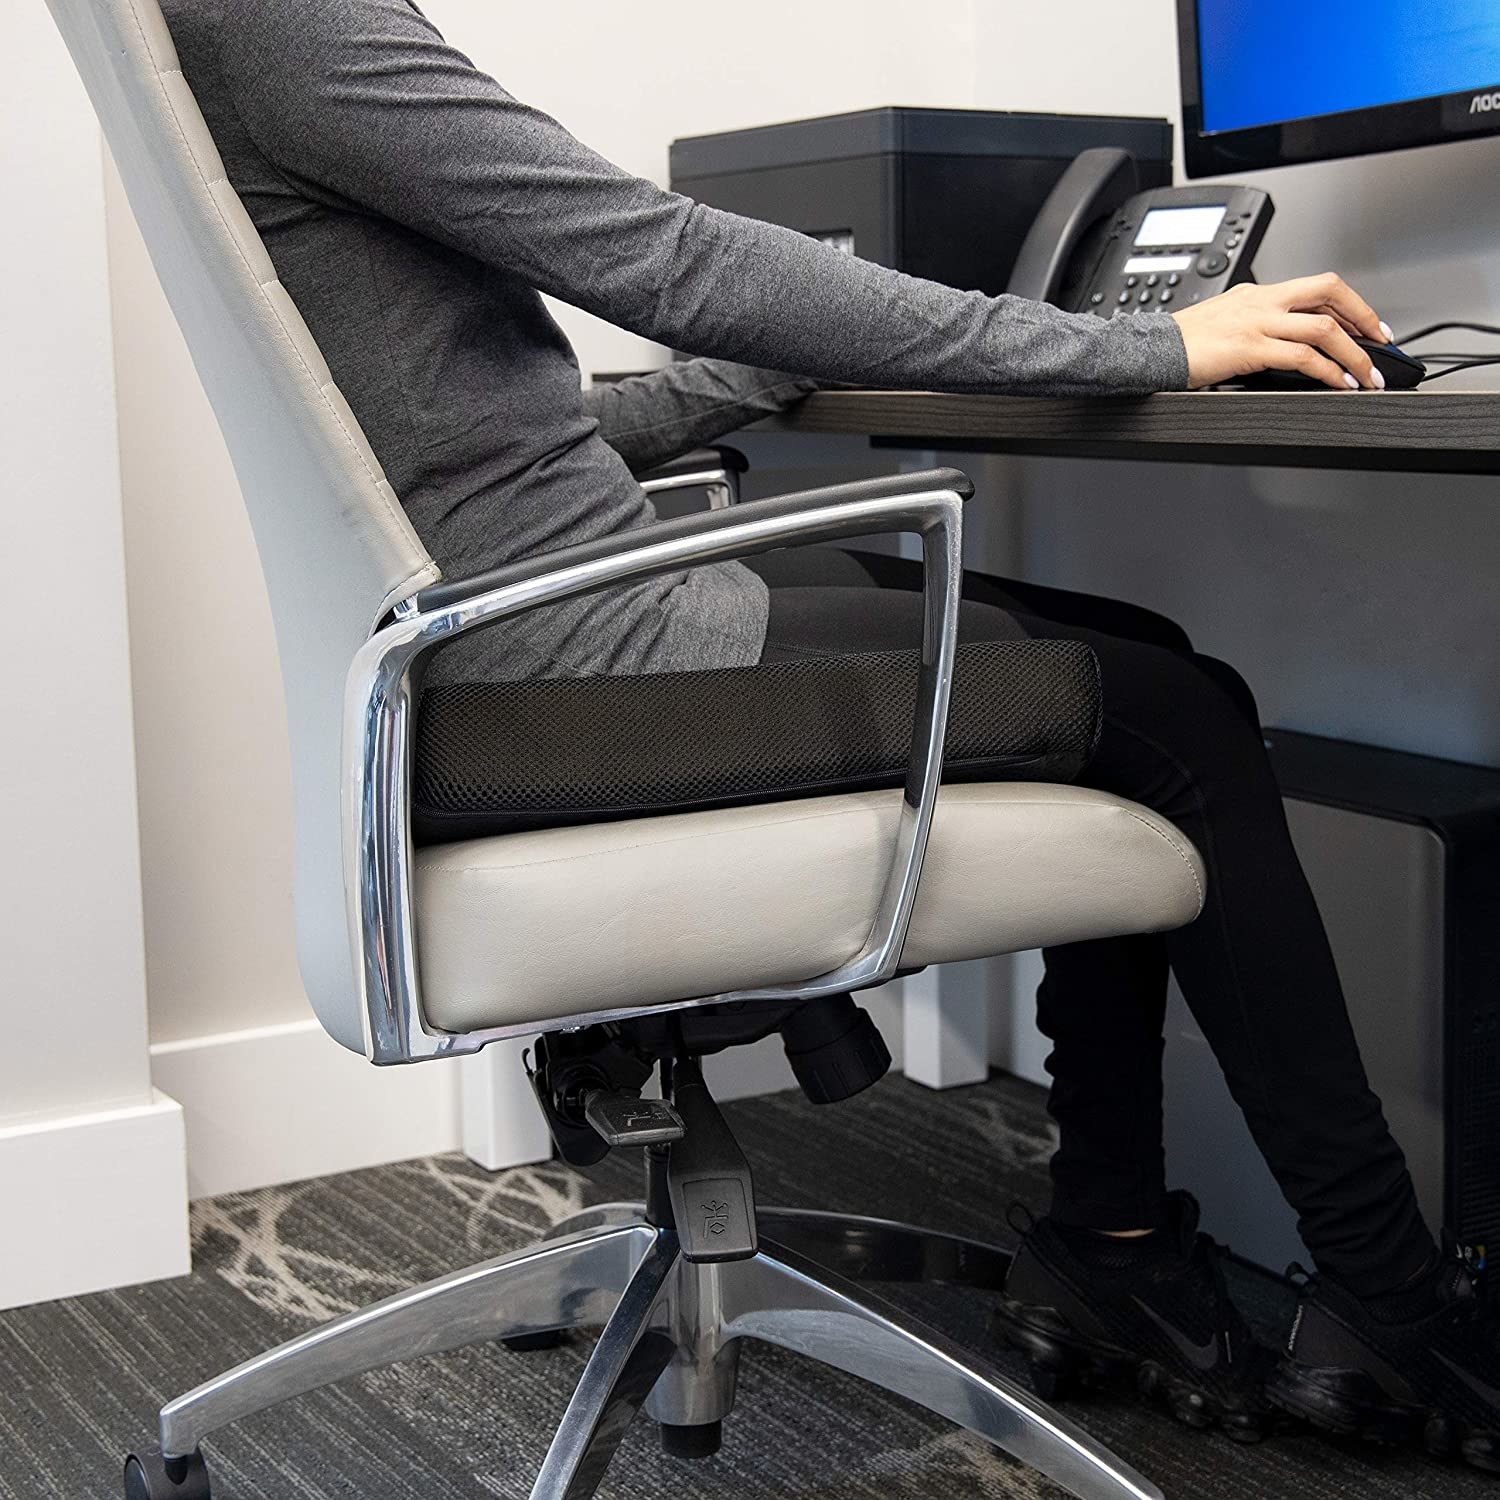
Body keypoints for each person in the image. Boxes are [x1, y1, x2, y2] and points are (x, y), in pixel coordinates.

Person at [163, 0, 1500, 1472]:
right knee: (1179, 714)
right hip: (575, 667)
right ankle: (1392, 1304)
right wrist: (1133, 349)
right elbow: (666, 258)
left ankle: (1116, 1241)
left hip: (507, 645)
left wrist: (760, 375)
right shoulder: (284, 18)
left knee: (1149, 671)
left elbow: (474, 439)